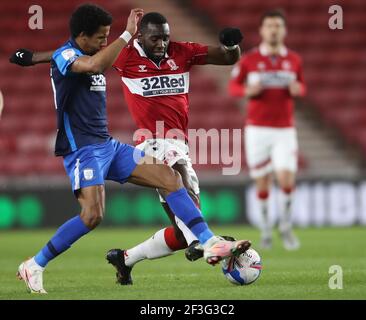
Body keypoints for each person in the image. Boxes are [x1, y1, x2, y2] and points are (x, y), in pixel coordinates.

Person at [10, 4, 250, 294]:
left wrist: (33, 57)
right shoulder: (74, 56)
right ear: (83, 36)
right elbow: (92, 65)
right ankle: (35, 264)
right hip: (82, 151)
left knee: (168, 178)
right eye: (101, 37)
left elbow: (80, 57)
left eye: (107, 37)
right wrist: (126, 34)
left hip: (109, 146)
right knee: (92, 216)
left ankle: (209, 241)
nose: (104, 42)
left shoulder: (81, 52)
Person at [228, 9, 306, 250]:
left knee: (285, 179)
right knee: (262, 183)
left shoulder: (293, 59)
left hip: (284, 130)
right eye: (270, 26)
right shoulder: (250, 60)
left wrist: (298, 90)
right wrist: (246, 92)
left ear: (284, 30)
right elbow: (233, 86)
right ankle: (265, 231)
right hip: (257, 130)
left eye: (278, 26)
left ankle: (285, 226)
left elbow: (301, 85)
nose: (274, 30)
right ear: (262, 30)